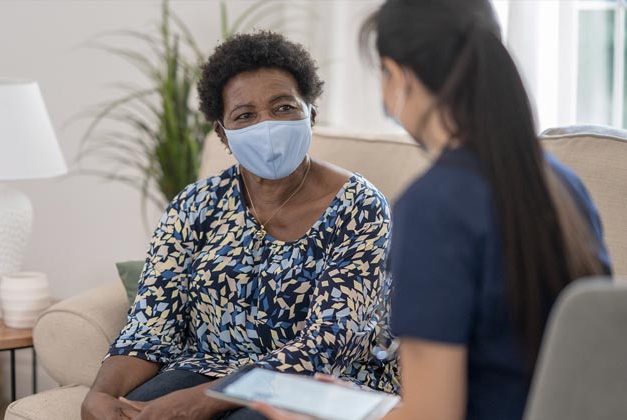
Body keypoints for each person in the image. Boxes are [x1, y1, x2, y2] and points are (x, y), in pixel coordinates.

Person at [253, 1, 612, 420]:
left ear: (399, 77)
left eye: (382, 76)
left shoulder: (433, 207)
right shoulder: (564, 184)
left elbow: (433, 416)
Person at [81, 31, 400, 420]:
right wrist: (100, 395)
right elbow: (151, 325)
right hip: (206, 368)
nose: (266, 124)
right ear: (222, 134)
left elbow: (330, 345)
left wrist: (202, 400)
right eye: (245, 115)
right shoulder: (194, 206)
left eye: (283, 107)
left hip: (321, 381)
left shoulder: (360, 206)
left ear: (311, 114)